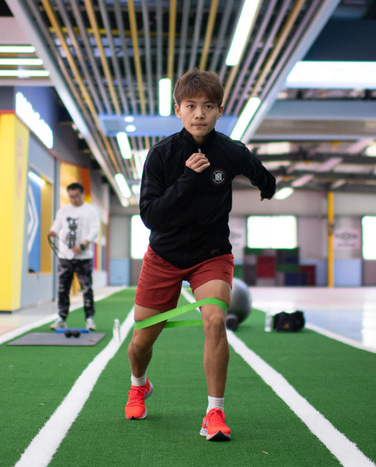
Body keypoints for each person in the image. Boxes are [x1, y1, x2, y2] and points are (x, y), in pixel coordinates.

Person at [125, 69, 276, 441]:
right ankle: (139, 385)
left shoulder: (231, 151)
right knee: (141, 341)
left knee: (214, 319)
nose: (199, 114)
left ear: (219, 110)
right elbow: (150, 216)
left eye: (208, 106)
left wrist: (266, 187)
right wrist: (187, 179)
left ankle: (214, 412)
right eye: (191, 106)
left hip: (211, 254)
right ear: (178, 109)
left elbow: (262, 175)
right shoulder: (161, 155)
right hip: (164, 254)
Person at [49, 182, 100, 331]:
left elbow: (94, 231)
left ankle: (89, 318)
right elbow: (57, 225)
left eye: (76, 196)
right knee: (62, 288)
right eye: (71, 197)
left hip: (84, 257)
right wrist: (53, 231)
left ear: (82, 194)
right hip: (65, 256)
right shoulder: (63, 211)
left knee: (86, 289)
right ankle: (62, 317)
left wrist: (82, 245)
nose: (74, 200)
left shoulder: (90, 211)